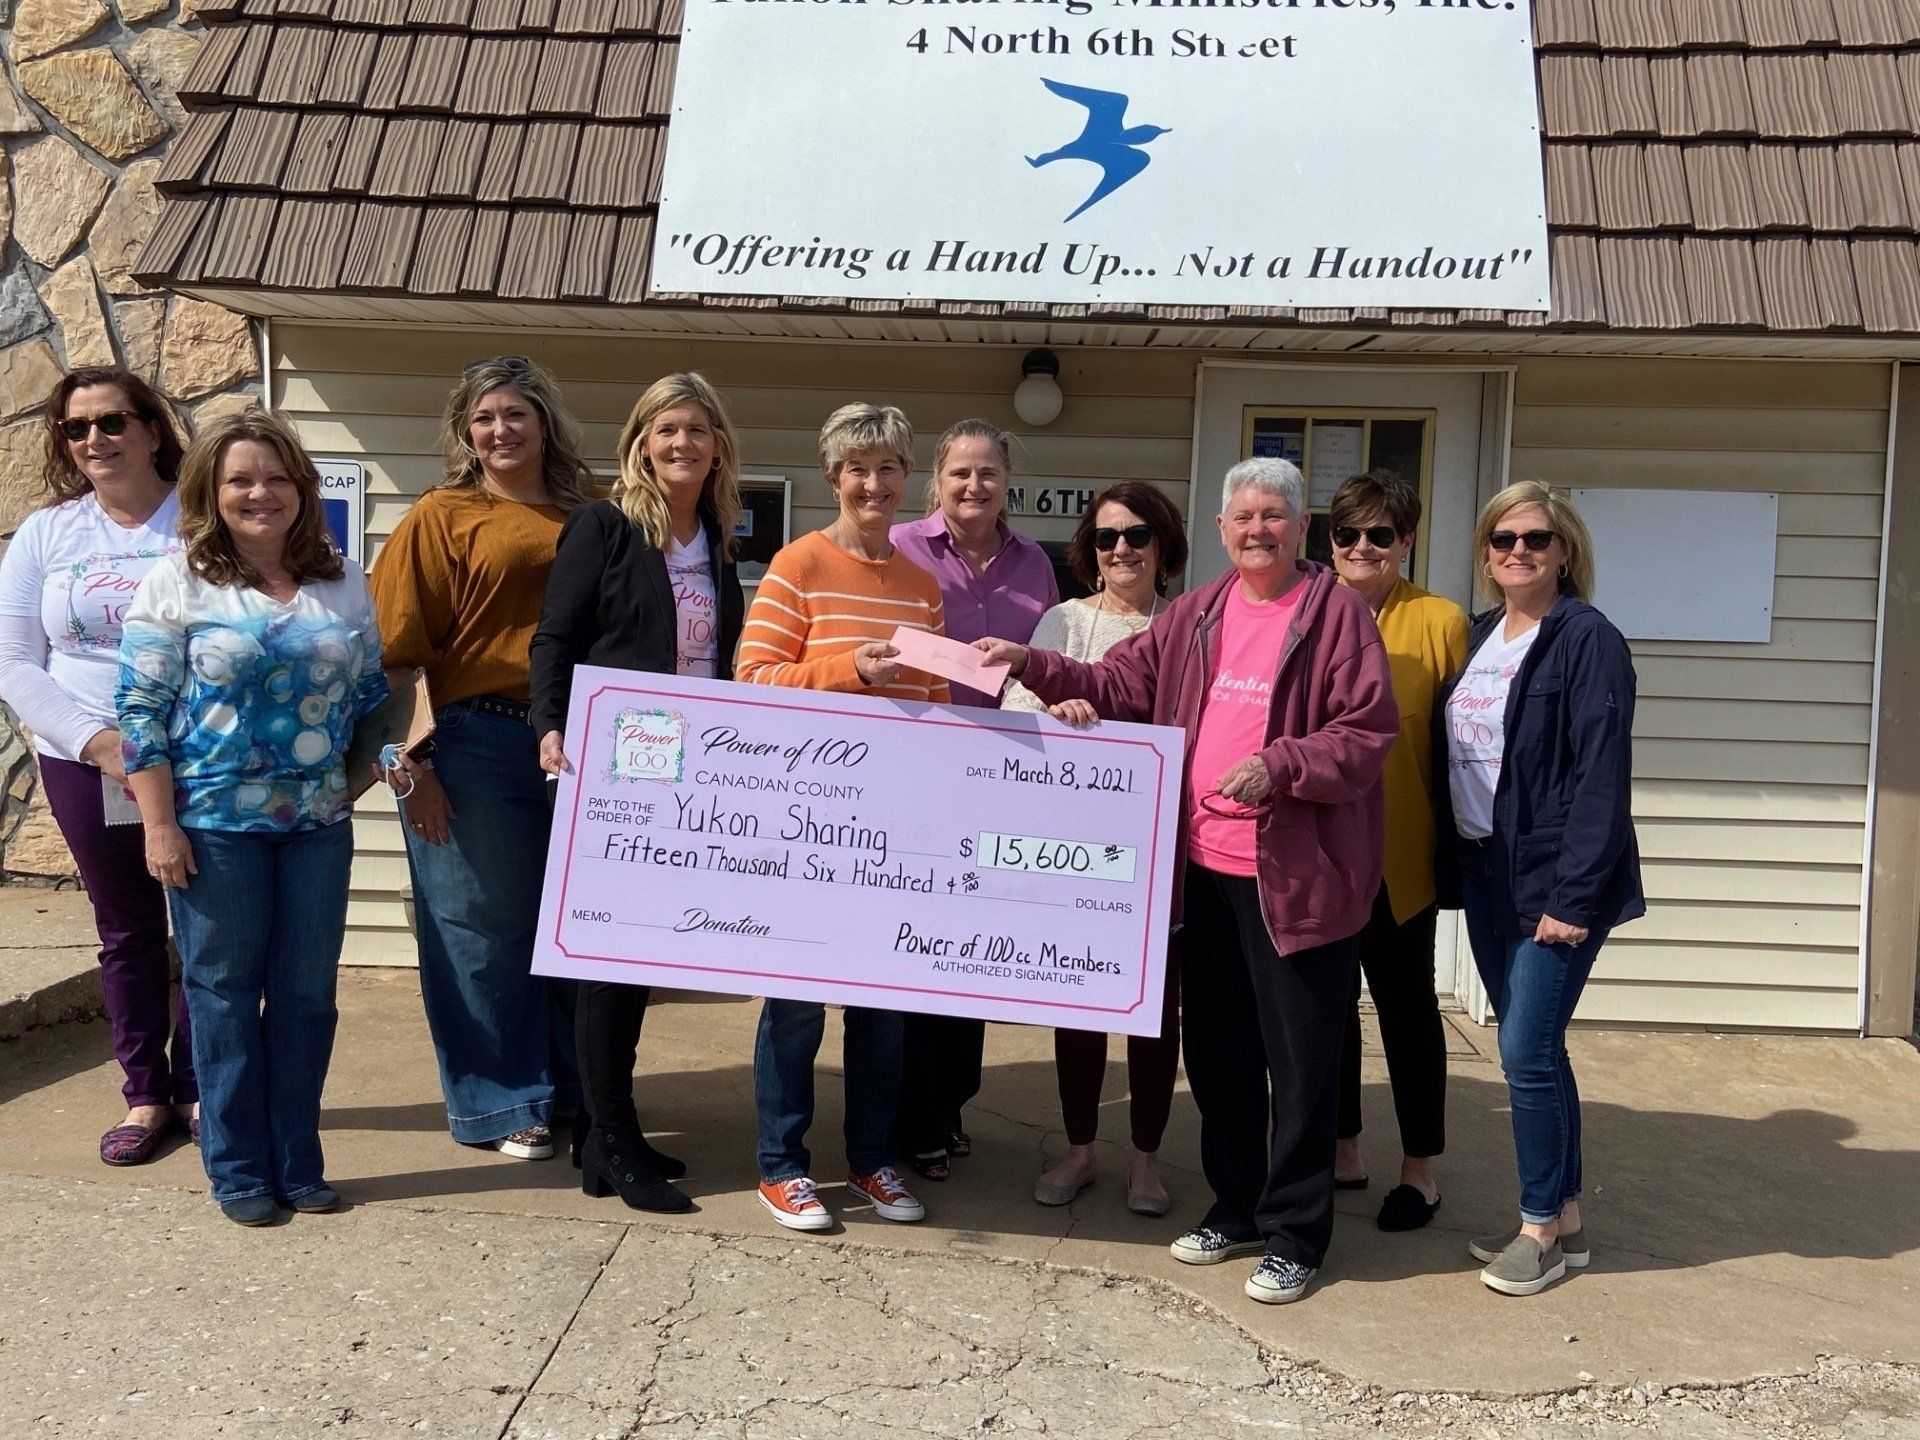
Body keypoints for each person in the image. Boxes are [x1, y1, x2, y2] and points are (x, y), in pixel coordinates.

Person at [977, 457, 1397, 1306]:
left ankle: (1295, 1233)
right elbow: (1117, 684)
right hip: (1202, 871)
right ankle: (1236, 1205)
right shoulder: (1199, 613)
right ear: (1220, 531)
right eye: (1243, 517)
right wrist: (1032, 660)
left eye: (1274, 515)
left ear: (1299, 526)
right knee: (1219, 1055)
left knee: (1302, 1064)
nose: (1258, 530)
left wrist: (1281, 766)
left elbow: (1367, 731)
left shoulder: (1337, 615)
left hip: (1296, 882)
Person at [116, 410, 387, 1225]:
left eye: (275, 477)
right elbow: (140, 711)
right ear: (211, 490)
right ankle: (236, 1169)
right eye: (240, 479)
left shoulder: (342, 580)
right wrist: (160, 827)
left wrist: (346, 789)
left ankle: (299, 1161)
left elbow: (373, 701)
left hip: (316, 830)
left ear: (302, 489)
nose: (259, 493)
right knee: (223, 997)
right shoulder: (179, 580)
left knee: (306, 998)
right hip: (212, 830)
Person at [372, 356, 599, 1161]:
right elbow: (394, 656)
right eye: (483, 419)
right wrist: (409, 765)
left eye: (515, 414)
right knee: (482, 932)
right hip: (478, 741)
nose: (500, 431)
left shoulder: (592, 510)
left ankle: (575, 1091)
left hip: (584, 741)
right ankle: (505, 1105)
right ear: (466, 433)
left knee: (576, 931)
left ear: (545, 422)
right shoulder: (441, 517)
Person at [529, 372, 745, 1214]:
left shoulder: (717, 537)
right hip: (609, 765)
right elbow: (557, 635)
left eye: (696, 430)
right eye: (666, 431)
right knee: (607, 962)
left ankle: (604, 1133)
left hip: (687, 772)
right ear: (642, 442)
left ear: (717, 444)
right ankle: (611, 1139)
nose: (682, 444)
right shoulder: (606, 524)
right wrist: (550, 726)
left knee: (642, 956)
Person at [736, 402, 948, 1233]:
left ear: (907, 481)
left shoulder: (923, 588)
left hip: (891, 830)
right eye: (858, 469)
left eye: (889, 468)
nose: (874, 483)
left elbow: (934, 708)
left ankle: (871, 1161)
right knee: (793, 1006)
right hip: (806, 820)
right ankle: (781, 1168)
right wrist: (850, 669)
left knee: (882, 1010)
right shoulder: (797, 564)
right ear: (835, 478)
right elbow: (751, 680)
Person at [1436, 481, 1642, 1297]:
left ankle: (1537, 1231)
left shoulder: (1587, 640)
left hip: (1554, 880)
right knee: (1538, 1048)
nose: (1518, 552)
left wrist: (1574, 898)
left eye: (1536, 540)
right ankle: (1569, 1221)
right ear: (1486, 554)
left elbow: (1602, 777)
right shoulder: (1483, 635)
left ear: (1565, 552)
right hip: (1488, 870)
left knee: (1523, 1052)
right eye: (1502, 540)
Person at [0, 369, 198, 1166]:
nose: (94, 440)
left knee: (213, 929)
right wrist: (99, 742)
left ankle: (202, 1087)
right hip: (86, 761)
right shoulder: (48, 534)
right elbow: (15, 663)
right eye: (76, 428)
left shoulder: (203, 519)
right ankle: (147, 1093)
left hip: (202, 757)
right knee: (128, 932)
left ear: (153, 428)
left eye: (112, 421)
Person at [1003, 481, 1188, 1216]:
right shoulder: (1063, 622)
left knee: (1154, 1011)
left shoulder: (1189, 624)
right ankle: (1080, 1150)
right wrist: (1057, 705)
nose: (1121, 550)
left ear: (1164, 545)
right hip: (1074, 847)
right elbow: (1016, 704)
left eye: (1137, 536)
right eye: (1108, 537)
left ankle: (1145, 1160)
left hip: (1162, 847)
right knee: (1077, 1003)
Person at [888, 418, 1058, 1181]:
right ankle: (911, 1112)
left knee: (972, 957)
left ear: (1007, 482)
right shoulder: (900, 547)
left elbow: (1047, 667)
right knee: (914, 949)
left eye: (988, 473)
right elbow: (891, 645)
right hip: (917, 772)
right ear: (938, 478)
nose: (974, 487)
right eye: (960, 473)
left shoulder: (1036, 565)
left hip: (1005, 783)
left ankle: (950, 1103)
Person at [1326, 472, 1469, 1232]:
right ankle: (1342, 1149)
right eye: (1348, 535)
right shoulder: (1306, 615)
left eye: (1381, 535)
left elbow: (1468, 749)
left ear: (1407, 541)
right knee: (1328, 1009)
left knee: (1408, 1010)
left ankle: (1421, 1171)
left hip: (1402, 857)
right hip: (1319, 853)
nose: (1363, 548)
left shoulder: (1442, 622)